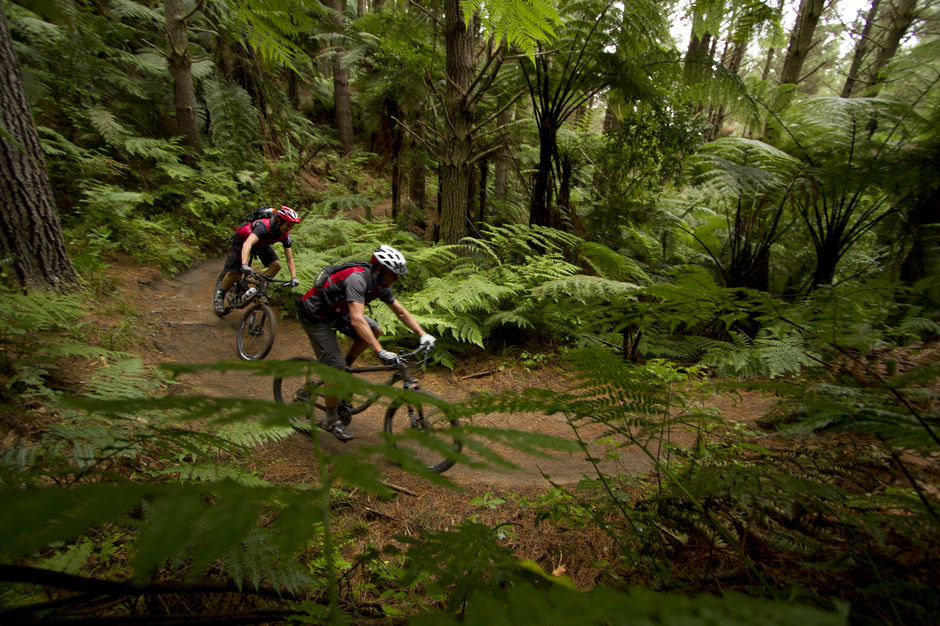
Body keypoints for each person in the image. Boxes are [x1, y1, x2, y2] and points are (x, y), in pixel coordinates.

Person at [297, 244, 435, 441]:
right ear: (379, 269)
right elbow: (357, 320)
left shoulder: (380, 284)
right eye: (393, 274)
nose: (396, 279)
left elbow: (400, 312)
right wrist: (380, 351)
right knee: (336, 370)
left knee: (375, 330)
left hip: (338, 311)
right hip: (316, 315)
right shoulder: (357, 279)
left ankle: (346, 367)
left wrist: (423, 334)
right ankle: (330, 419)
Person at [214, 205, 301, 315]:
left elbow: (290, 259)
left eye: (291, 226)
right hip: (243, 240)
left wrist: (294, 277)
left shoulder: (284, 235)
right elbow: (248, 243)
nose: (289, 228)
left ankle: (257, 288)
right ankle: (220, 295)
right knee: (236, 271)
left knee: (276, 265)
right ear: (279, 221)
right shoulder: (264, 226)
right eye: (288, 225)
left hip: (261, 243)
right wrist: (244, 265)